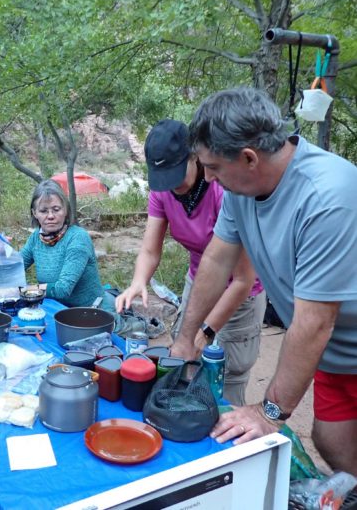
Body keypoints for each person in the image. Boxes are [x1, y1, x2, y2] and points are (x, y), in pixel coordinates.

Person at [170, 87, 357, 476]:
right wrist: (186, 338)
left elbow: (314, 322)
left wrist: (270, 412)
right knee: (333, 443)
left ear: (249, 157)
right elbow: (217, 260)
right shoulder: (242, 189)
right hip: (335, 356)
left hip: (335, 337)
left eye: (214, 167)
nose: (208, 177)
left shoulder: (327, 195)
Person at [116, 119, 266, 405]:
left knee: (224, 372)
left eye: (175, 174)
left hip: (240, 293)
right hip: (199, 281)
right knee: (184, 359)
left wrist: (206, 332)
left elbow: (243, 280)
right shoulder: (162, 192)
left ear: (194, 156)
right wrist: (139, 281)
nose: (171, 185)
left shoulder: (223, 191)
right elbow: (150, 250)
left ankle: (225, 436)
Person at [21, 179, 116, 314]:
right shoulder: (36, 238)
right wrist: (1, 253)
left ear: (65, 210)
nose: (50, 216)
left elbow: (62, 289)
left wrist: (27, 289)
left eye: (56, 209)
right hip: (54, 309)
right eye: (43, 211)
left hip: (91, 312)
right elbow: (14, 268)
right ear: (35, 213)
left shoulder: (78, 238)